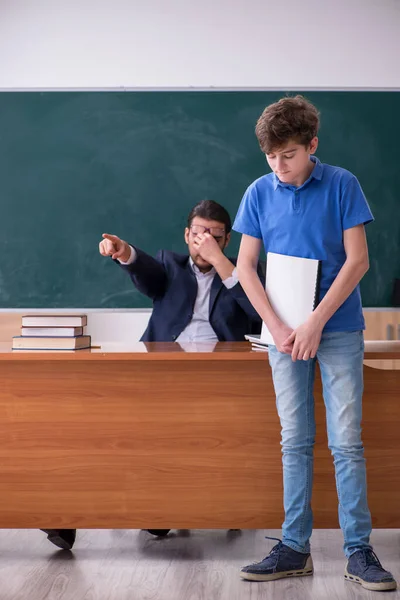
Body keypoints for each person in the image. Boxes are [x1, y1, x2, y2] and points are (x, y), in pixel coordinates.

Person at [233, 96, 397, 591]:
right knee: (294, 442)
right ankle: (293, 547)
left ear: (312, 146)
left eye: (288, 155)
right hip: (281, 334)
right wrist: (280, 328)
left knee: (346, 442)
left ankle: (359, 551)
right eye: (271, 157)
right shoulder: (259, 192)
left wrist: (314, 323)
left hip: (338, 329)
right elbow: (244, 267)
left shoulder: (343, 184)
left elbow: (358, 261)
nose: (279, 166)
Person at [97, 199, 262, 538]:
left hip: (224, 373)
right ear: (187, 235)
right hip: (167, 369)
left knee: (218, 433)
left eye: (216, 237)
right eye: (200, 233)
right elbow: (146, 275)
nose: (206, 242)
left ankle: (221, 501)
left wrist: (220, 263)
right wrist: (124, 250)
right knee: (154, 427)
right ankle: (161, 504)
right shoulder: (168, 266)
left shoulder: (243, 273)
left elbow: (257, 310)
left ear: (228, 241)